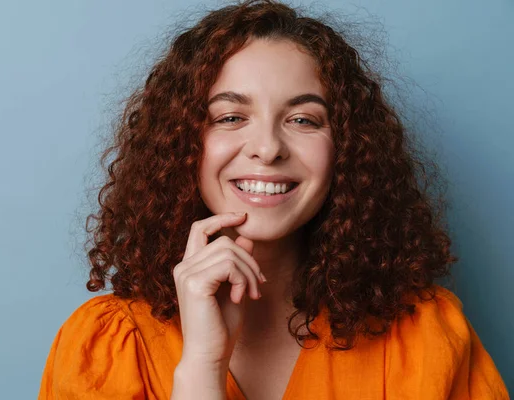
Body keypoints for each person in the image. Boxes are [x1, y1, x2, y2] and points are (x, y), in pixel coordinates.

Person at [37, 0, 509, 399]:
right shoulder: (105, 346)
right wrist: (203, 365)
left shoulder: (425, 336)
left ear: (346, 146)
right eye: (229, 117)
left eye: (303, 119)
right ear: (180, 142)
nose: (267, 147)